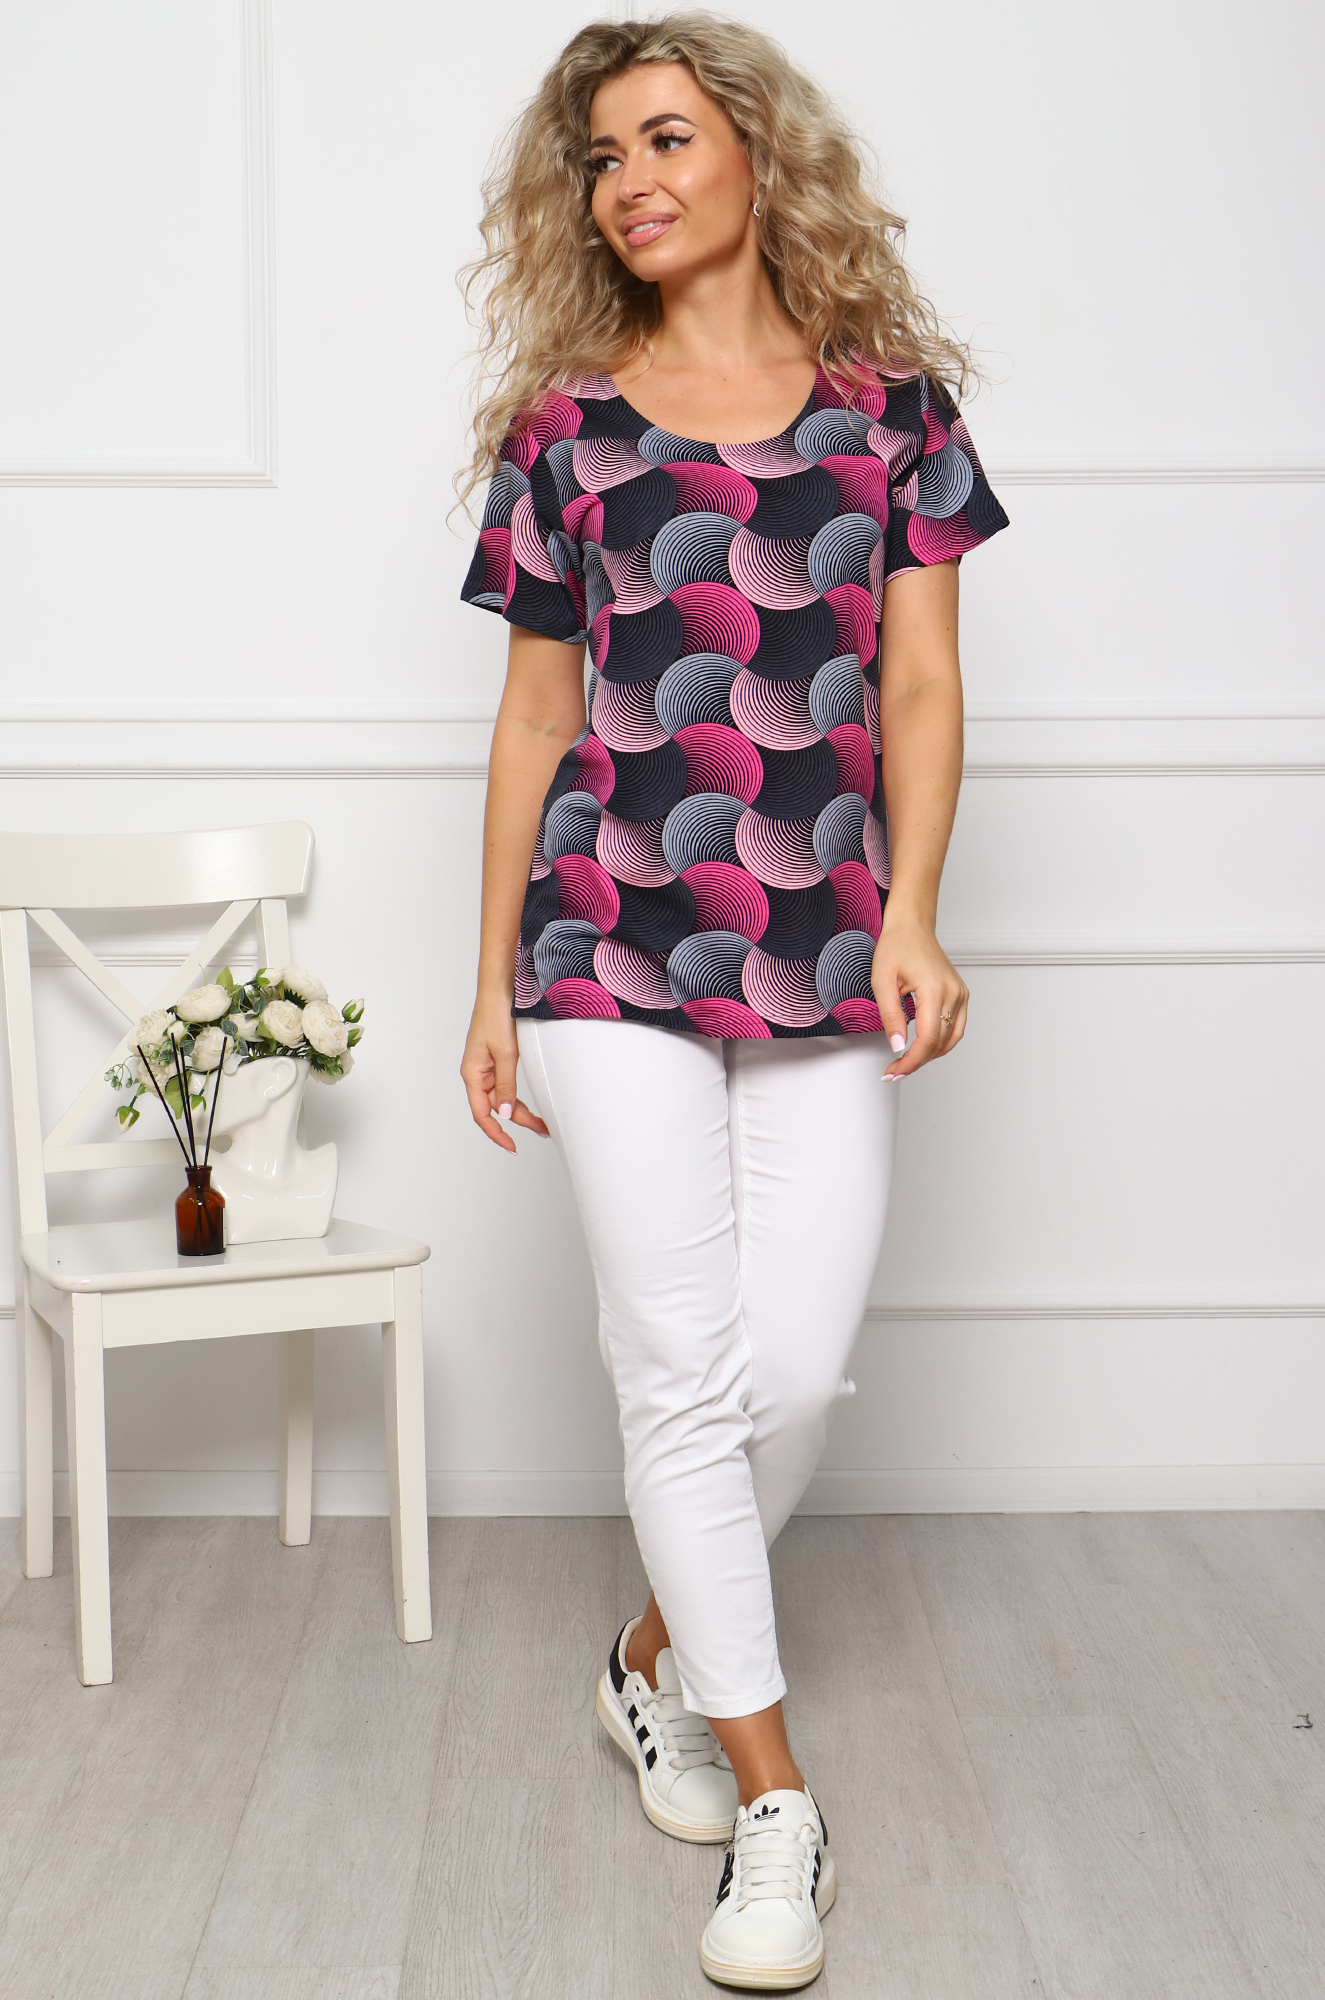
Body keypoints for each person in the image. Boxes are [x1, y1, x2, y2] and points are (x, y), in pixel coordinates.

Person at [457, 14, 1008, 1989]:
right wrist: (488, 980)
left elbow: (919, 683)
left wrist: (915, 913)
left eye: (667, 139)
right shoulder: (566, 431)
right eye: (603, 157)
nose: (632, 182)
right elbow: (535, 718)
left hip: (827, 946)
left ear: (762, 153)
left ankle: (646, 1657)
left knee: (795, 1375)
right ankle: (779, 1802)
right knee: (676, 1370)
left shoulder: (894, 417)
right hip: (604, 941)